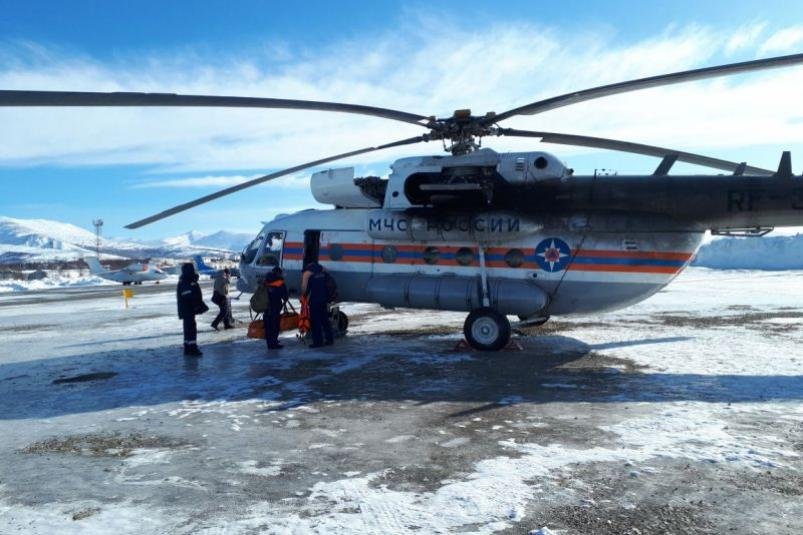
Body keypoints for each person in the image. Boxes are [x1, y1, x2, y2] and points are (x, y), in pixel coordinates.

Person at [177, 262, 208, 356]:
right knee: (190, 329)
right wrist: (197, 305)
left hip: (187, 309)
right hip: (188, 309)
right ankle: (192, 348)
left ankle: (188, 347)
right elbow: (189, 294)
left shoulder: (186, 280)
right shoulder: (186, 281)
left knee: (188, 328)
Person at [301, 261, 334, 348]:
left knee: (316, 322)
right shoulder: (324, 273)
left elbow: (305, 291)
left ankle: (318, 342)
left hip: (314, 301)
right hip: (324, 300)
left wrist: (303, 297)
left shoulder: (309, 275)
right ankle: (330, 340)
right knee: (325, 321)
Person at [264, 266, 289, 350]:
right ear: (279, 273)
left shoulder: (266, 280)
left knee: (268, 326)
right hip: (275, 306)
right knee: (275, 325)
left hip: (266, 307)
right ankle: (274, 343)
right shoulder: (280, 282)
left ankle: (269, 343)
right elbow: (285, 296)